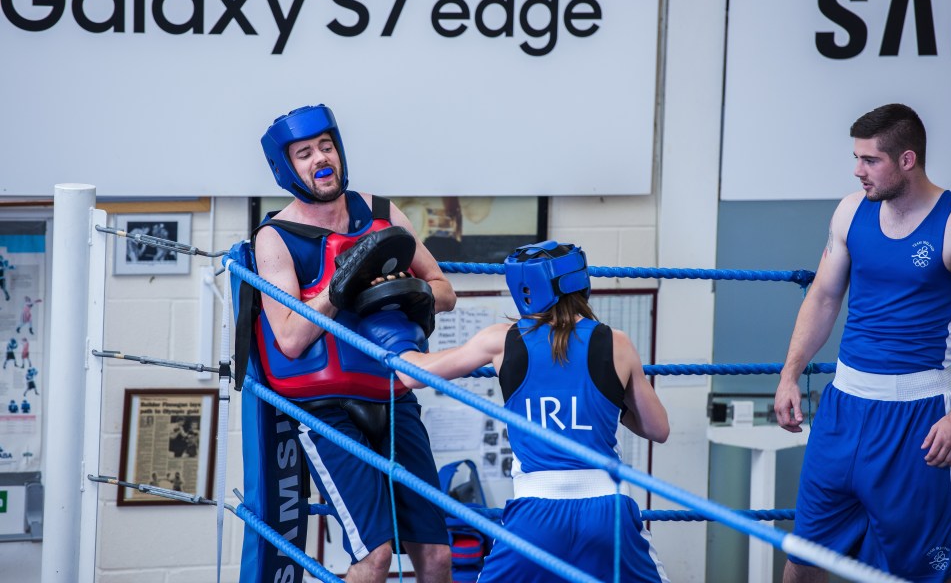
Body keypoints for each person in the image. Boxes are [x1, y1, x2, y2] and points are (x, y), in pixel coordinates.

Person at [359, 240, 671, 582]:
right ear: (581, 283)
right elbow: (658, 429)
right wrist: (612, 398)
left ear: (522, 290)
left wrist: (393, 327)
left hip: (535, 513)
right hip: (608, 511)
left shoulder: (502, 340)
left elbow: (411, 373)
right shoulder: (617, 342)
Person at [254, 104, 457, 583]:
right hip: (328, 407)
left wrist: (411, 288)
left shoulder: (381, 212)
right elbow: (289, 338)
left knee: (437, 556)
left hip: (393, 392)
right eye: (304, 153)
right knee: (376, 557)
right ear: (287, 167)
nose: (320, 159)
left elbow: (446, 290)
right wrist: (340, 284)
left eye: (326, 147)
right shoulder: (276, 237)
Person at [773, 103, 951, 582]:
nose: (858, 171)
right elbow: (823, 297)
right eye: (856, 158)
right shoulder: (851, 210)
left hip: (917, 417)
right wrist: (790, 374)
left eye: (869, 160)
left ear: (907, 160)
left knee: (924, 572)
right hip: (843, 409)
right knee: (803, 559)